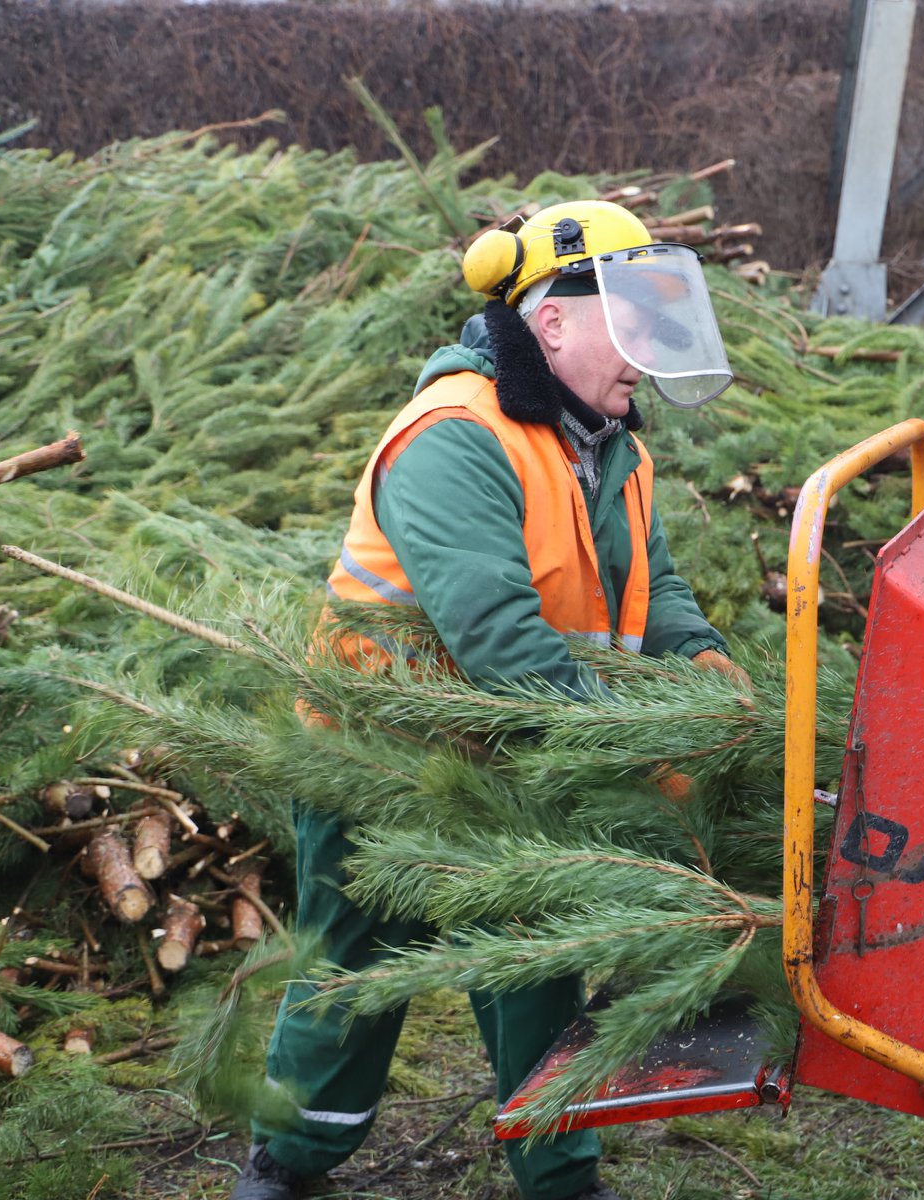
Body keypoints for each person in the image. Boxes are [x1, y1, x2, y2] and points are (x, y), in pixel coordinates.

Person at [231, 200, 748, 1200]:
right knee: (356, 969)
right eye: (626, 318)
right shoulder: (455, 437)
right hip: (384, 759)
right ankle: (287, 1161)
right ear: (550, 321)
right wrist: (642, 751)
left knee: (537, 969)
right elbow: (501, 640)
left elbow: (657, 587)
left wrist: (706, 674)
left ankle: (561, 1174)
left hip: (521, 753)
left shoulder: (609, 447)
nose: (643, 351)